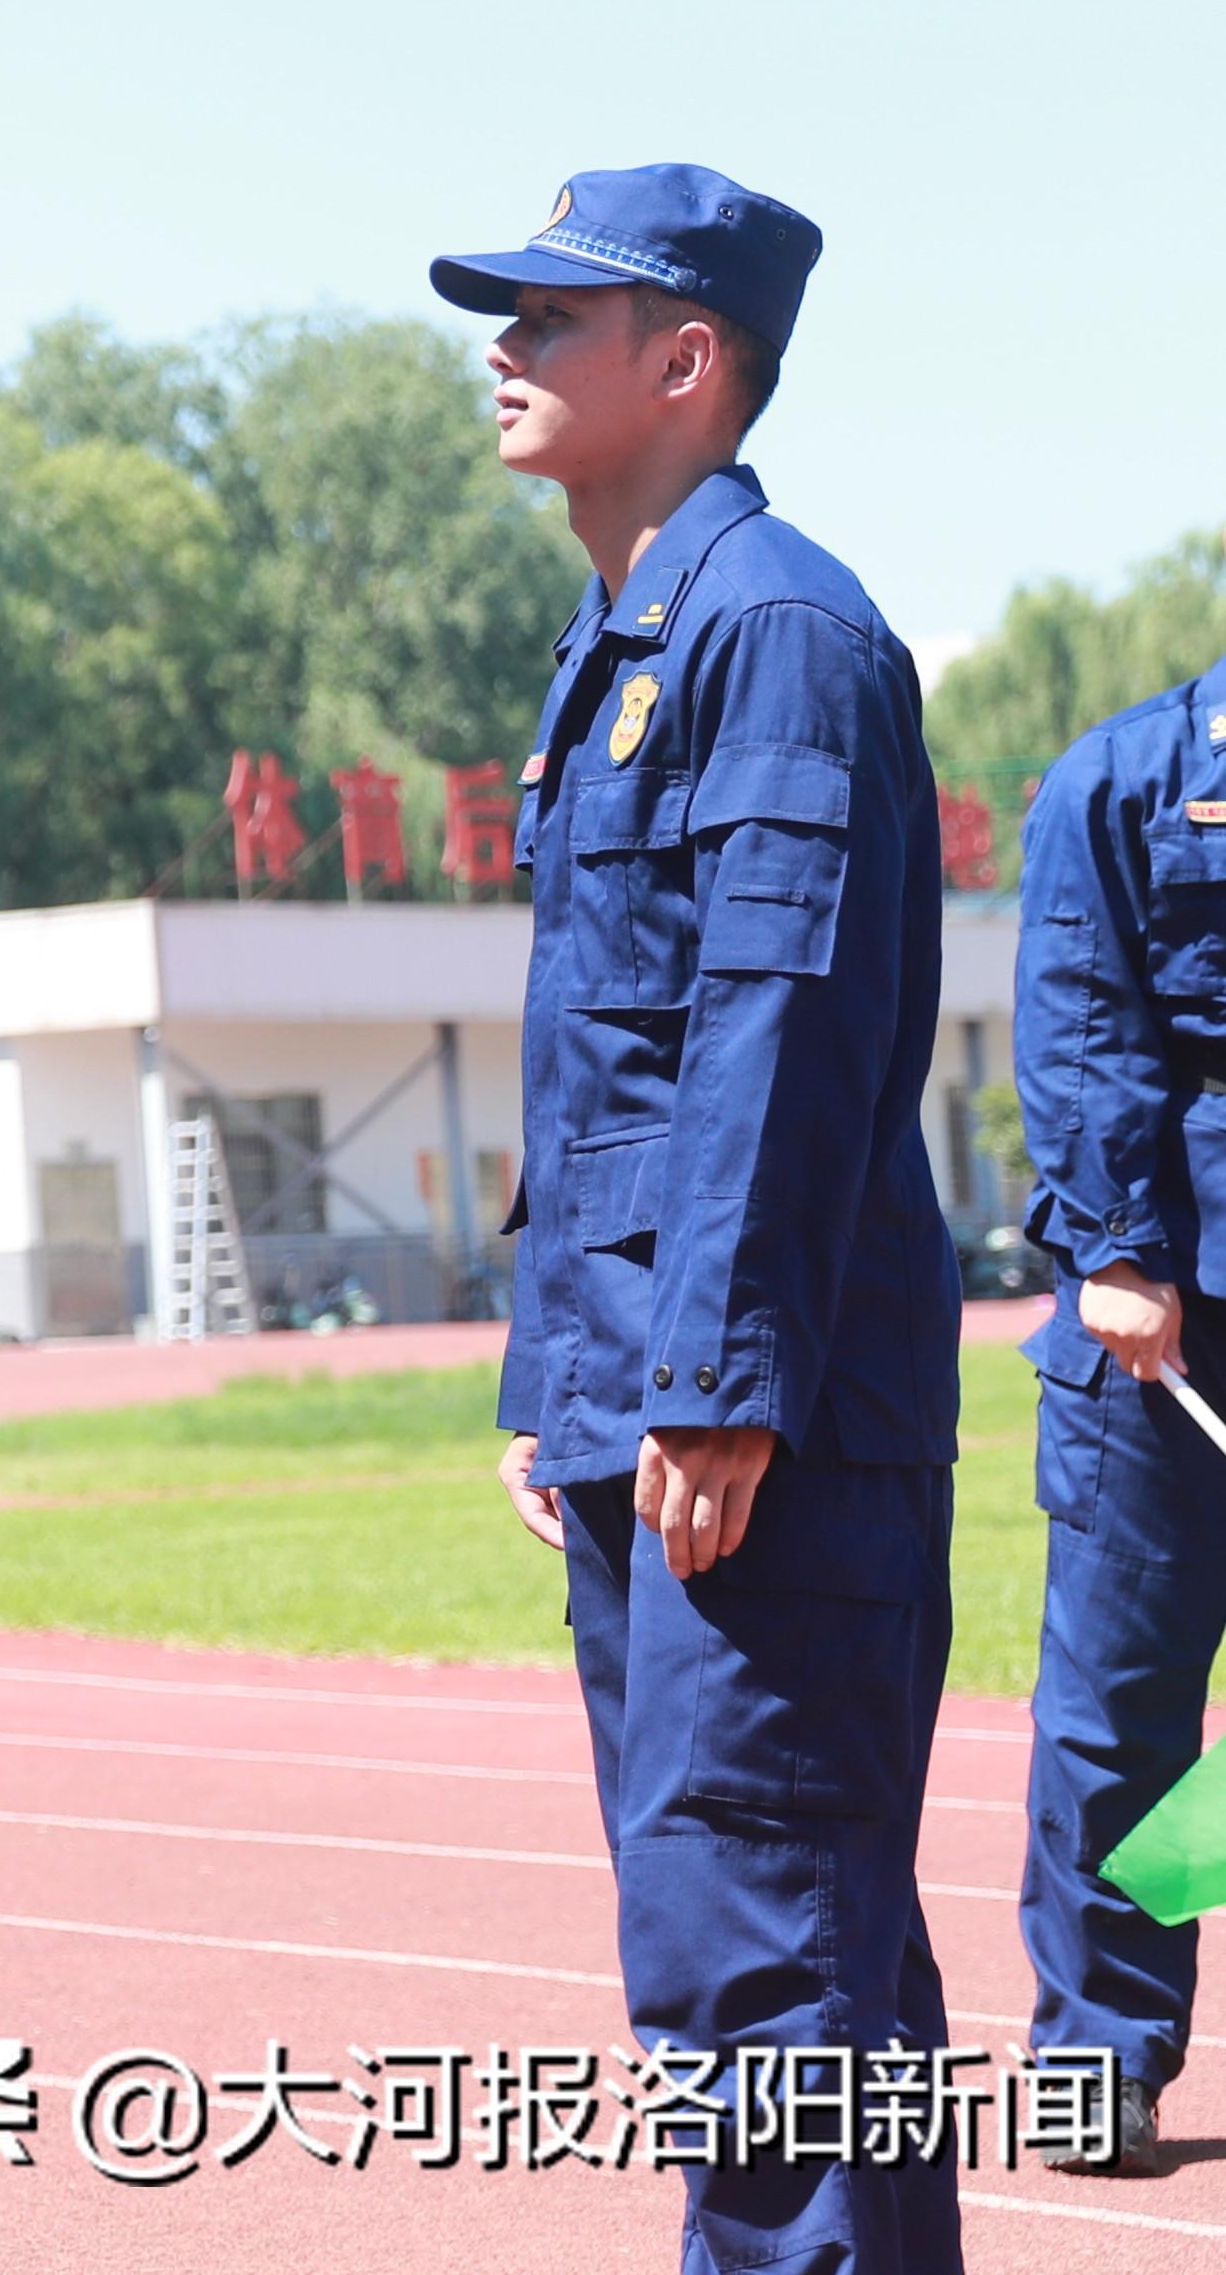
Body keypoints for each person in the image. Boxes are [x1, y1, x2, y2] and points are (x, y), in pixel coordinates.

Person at [453, 166, 970, 2267]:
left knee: (769, 1950)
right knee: (739, 1944)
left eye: (549, 319)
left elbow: (778, 1038)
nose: (499, 349)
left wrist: (716, 1384)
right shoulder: (631, 635)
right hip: (644, 1398)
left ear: (685, 363)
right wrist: (553, 1381)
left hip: (761, 1424)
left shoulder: (774, 632)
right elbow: (609, 1074)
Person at [1011, 659, 1226, 2161]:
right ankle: (1102, 2052)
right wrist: (1118, 1244)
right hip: (1165, 1325)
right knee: (1126, 1713)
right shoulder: (1127, 774)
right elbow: (1080, 1010)